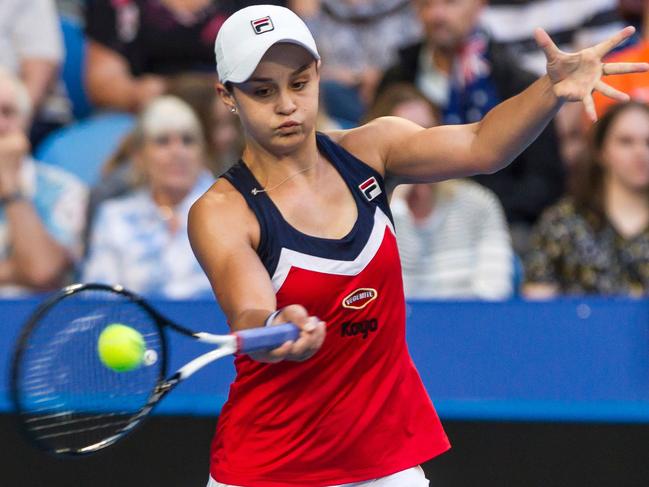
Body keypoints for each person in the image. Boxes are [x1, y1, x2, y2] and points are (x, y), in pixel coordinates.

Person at [187, 4, 645, 486]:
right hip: (267, 468)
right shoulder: (221, 211)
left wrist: (550, 89)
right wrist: (277, 327)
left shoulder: (374, 149)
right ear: (227, 96)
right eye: (262, 91)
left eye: (299, 83)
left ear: (319, 73)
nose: (286, 105)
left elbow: (483, 146)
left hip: (385, 464)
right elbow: (248, 313)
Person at [377, 0, 565, 252]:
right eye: (425, 4)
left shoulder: (518, 84)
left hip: (499, 226)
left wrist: (476, 212)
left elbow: (544, 182)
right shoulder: (396, 79)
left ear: (480, 4)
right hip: (405, 221)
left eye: (450, 3)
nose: (436, 14)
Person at [368, 83, 513, 300]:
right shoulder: (366, 215)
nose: (419, 147)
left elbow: (494, 294)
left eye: (427, 132)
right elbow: (387, 298)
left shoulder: (478, 203)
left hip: (470, 329)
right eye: (403, 138)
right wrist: (397, 208)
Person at [83, 96, 213, 299]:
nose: (177, 152)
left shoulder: (231, 210)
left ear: (202, 152)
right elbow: (98, 299)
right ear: (139, 156)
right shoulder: (114, 217)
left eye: (188, 140)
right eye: (162, 142)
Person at [525, 101, 649, 297]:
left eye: (648, 142)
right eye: (626, 141)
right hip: (576, 326)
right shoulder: (563, 222)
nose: (641, 153)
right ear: (601, 151)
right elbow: (537, 303)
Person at [0, 69, 86, 295]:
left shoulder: (65, 189)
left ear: (25, 121)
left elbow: (42, 271)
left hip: (37, 322)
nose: (0, 125)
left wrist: (10, 185)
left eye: (7, 112)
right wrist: (18, 270)